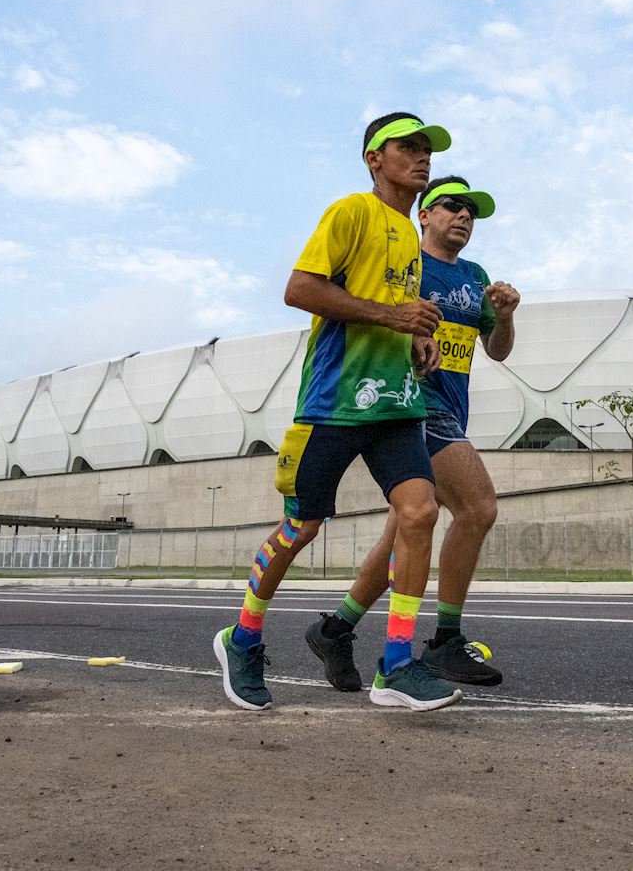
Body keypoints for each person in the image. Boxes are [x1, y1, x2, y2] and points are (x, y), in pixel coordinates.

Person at [213, 112, 465, 713]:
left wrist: (416, 338)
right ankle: (242, 637)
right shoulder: (351, 211)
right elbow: (300, 289)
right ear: (375, 158)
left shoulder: (408, 235)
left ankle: (397, 664)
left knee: (420, 512)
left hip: (397, 403)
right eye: (409, 146)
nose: (422, 156)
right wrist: (393, 317)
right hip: (334, 402)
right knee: (301, 527)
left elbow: (394, 308)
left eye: (428, 149)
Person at [306, 175, 519, 691]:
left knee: (405, 532)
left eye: (471, 210)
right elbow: (354, 307)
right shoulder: (405, 264)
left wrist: (507, 315)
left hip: (452, 407)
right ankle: (445, 640)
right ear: (424, 214)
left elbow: (498, 349)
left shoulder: (475, 275)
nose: (463, 216)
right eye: (451, 206)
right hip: (412, 403)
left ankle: (335, 629)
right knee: (477, 508)